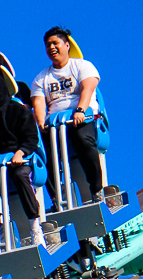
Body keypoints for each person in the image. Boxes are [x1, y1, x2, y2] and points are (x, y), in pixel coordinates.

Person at [31, 26, 104, 207]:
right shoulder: (41, 78)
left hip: (80, 118)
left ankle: (96, 188)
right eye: (48, 45)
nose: (52, 48)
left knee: (82, 139)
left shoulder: (82, 65)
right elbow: (38, 103)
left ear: (66, 45)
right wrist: (41, 122)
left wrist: (80, 110)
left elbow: (88, 89)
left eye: (55, 43)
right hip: (55, 124)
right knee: (42, 155)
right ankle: (57, 198)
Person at [0, 73, 45, 250]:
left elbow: (31, 137)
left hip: (17, 160)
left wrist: (21, 152)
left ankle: (35, 225)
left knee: (20, 176)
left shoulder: (18, 110)